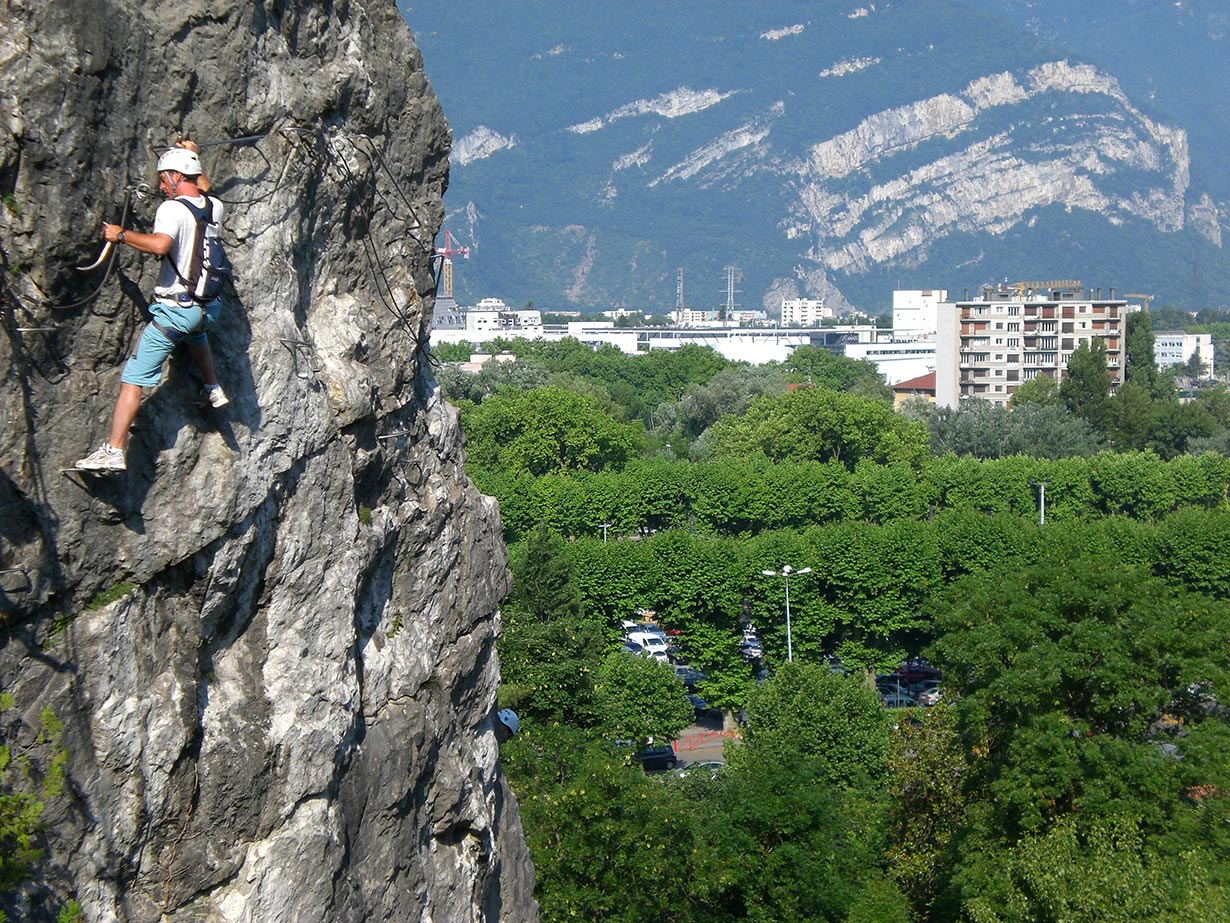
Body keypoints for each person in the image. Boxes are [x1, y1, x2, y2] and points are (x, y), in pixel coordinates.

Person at [75, 146, 228, 472]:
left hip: (177, 310)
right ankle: (213, 387)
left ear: (175, 177)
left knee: (134, 378)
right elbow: (204, 185)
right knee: (196, 335)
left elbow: (160, 245)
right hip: (209, 308)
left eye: (163, 179)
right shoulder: (214, 206)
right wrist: (192, 154)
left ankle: (113, 451)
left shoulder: (171, 209)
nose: (160, 186)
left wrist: (121, 235)